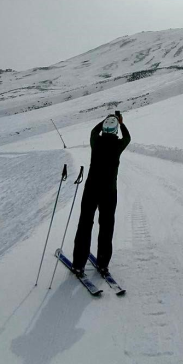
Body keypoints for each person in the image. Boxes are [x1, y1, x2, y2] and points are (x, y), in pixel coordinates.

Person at [72, 110, 130, 276]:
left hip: (91, 189)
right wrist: (121, 122)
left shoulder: (95, 141)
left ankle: (78, 264)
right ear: (116, 130)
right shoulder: (119, 145)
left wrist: (105, 119)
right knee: (106, 226)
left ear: (104, 129)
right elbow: (128, 137)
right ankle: (103, 264)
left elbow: (93, 131)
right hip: (109, 192)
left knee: (85, 224)